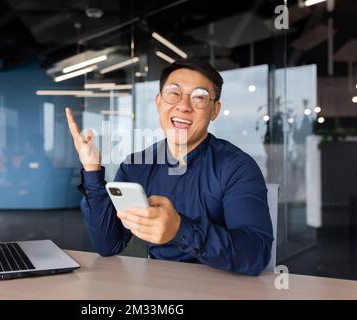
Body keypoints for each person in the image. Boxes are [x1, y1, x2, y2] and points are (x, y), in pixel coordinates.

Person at [65, 58, 273, 276]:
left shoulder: (237, 167)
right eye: (174, 93)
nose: (183, 106)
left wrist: (179, 229)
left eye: (199, 97)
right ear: (158, 102)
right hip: (158, 286)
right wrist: (91, 169)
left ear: (214, 110)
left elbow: (256, 253)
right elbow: (109, 244)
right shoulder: (136, 166)